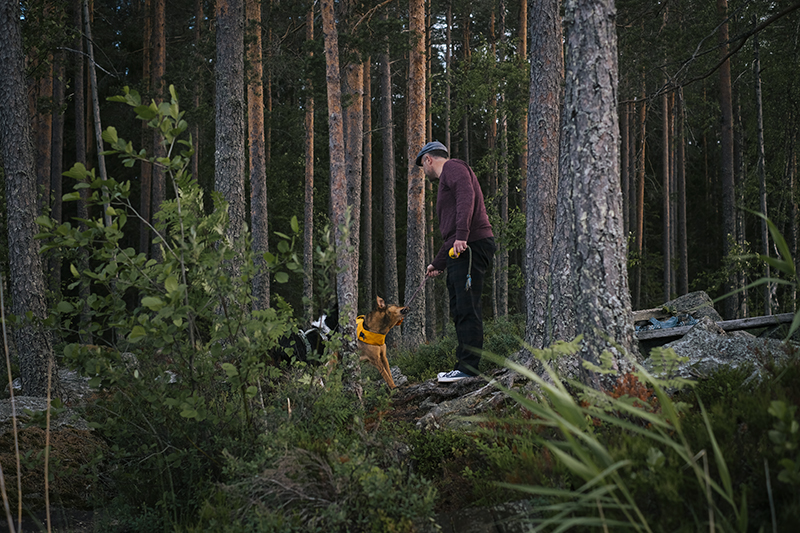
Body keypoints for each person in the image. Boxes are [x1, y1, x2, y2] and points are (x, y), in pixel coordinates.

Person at [416, 141, 496, 383]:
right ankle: (464, 366)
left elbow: (466, 195)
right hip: (461, 247)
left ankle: (469, 369)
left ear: (429, 159)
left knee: (466, 307)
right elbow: (451, 234)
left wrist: (462, 235)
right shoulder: (447, 178)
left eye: (422, 165)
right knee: (460, 307)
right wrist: (438, 262)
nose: (423, 171)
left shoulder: (453, 167)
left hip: (471, 246)